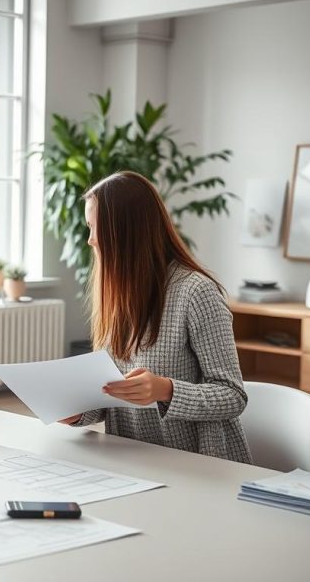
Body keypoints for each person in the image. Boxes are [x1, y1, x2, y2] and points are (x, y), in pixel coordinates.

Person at [60, 171, 252, 463]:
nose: (90, 240)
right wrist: (77, 413)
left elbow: (233, 396)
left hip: (201, 465)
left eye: (94, 228)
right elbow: (112, 391)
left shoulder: (196, 292)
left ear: (124, 232)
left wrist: (165, 389)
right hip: (134, 460)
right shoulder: (117, 294)